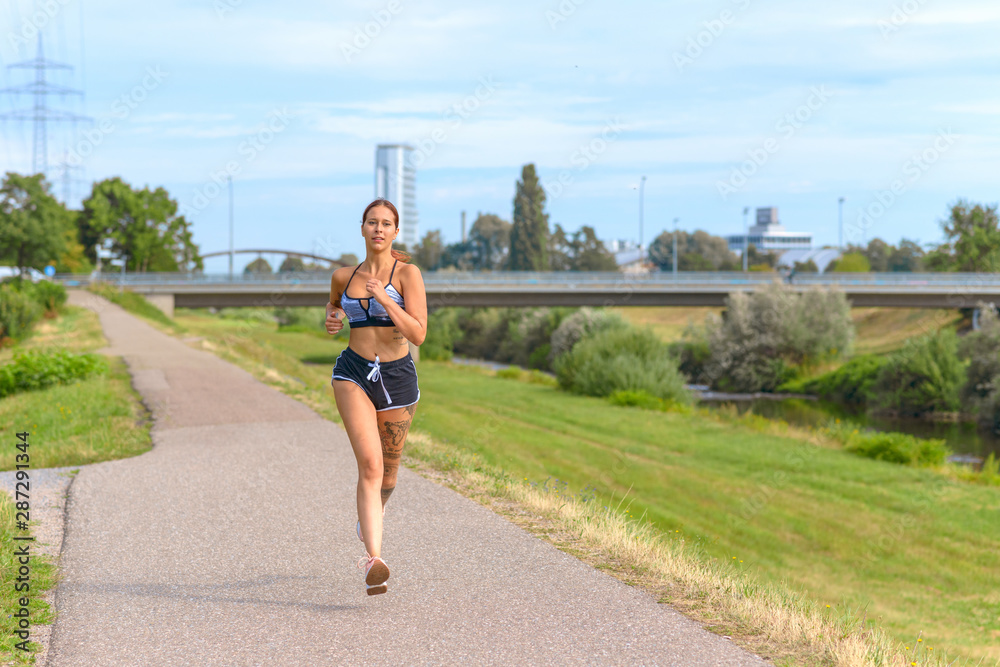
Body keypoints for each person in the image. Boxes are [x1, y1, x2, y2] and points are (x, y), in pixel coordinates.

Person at [325, 198, 427, 596]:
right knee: (369, 465)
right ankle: (374, 559)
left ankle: (370, 518)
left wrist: (385, 299)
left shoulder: (408, 275)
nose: (379, 229)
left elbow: (418, 334)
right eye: (372, 223)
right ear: (363, 228)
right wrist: (333, 319)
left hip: (398, 378)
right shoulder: (343, 275)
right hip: (352, 373)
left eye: (386, 224)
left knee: (388, 475)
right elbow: (334, 309)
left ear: (395, 232)